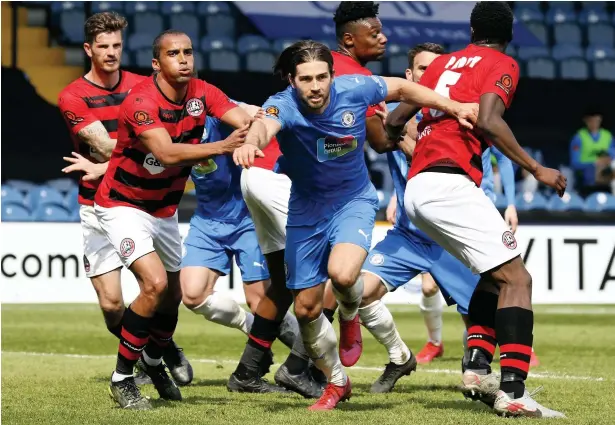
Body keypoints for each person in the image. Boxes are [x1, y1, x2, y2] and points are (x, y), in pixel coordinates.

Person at [233, 40, 478, 410]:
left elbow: (403, 87)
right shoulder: (281, 103)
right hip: (306, 211)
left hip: (354, 202)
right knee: (306, 310)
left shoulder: (355, 88)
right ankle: (336, 382)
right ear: (291, 80)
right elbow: (264, 126)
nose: (315, 86)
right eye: (306, 79)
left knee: (344, 275)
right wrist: (252, 143)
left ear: (333, 75)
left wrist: (453, 105)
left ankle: (349, 317)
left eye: (322, 77)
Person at [385, 2, 566, 418]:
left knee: (494, 274)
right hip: (450, 184)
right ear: (510, 32)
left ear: (470, 29)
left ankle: (477, 365)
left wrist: (400, 137)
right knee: (518, 279)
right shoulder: (501, 63)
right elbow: (488, 119)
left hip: (419, 186)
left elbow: (397, 119)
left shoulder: (443, 63)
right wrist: (536, 168)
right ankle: (514, 392)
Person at [91, 29, 252, 409]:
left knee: (173, 298)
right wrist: (225, 145)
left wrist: (255, 131)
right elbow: (164, 153)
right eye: (173, 53)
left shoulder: (202, 91)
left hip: (164, 211)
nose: (183, 59)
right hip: (122, 205)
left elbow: (242, 118)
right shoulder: (140, 101)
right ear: (156, 63)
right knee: (155, 285)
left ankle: (153, 361)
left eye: (188, 52)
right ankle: (123, 379)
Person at [58, 12, 191, 387]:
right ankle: (156, 349)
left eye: (117, 45)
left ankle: (159, 349)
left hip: (146, 201)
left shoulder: (141, 85)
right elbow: (102, 145)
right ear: (88, 49)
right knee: (112, 304)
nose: (112, 52)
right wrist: (156, 145)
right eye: (103, 46)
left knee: (161, 289)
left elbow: (163, 135)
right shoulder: (73, 95)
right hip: (96, 204)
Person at [180, 106, 302, 355]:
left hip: (247, 219)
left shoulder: (217, 114)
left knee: (261, 303)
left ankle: (308, 355)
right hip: (207, 221)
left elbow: (258, 114)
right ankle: (248, 325)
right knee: (192, 295)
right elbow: (146, 154)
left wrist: (259, 116)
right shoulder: (167, 128)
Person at [569, 108, 615, 196]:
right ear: (585, 120)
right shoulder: (579, 137)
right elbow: (575, 164)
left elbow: (613, 154)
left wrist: (607, 159)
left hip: (606, 175)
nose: (594, 122)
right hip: (587, 178)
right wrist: (594, 163)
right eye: (591, 120)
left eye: (596, 119)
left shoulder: (607, 136)